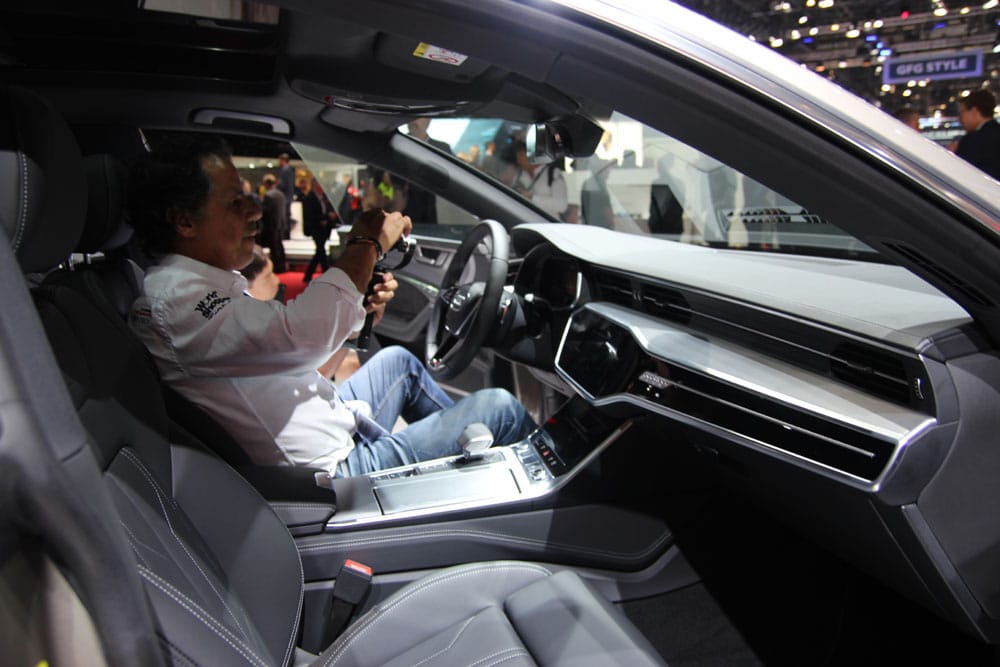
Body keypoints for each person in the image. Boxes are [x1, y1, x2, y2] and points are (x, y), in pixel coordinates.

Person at [127, 136, 536, 477]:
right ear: (184, 222)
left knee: (398, 363)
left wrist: (357, 320)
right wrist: (367, 242)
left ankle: (464, 463)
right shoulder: (176, 302)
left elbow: (285, 357)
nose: (255, 210)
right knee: (498, 407)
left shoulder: (191, 289)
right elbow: (301, 333)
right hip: (331, 473)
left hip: (331, 424)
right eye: (236, 202)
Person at [402, 118, 452, 223]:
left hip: (432, 210)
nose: (413, 120)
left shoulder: (442, 149)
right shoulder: (396, 144)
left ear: (428, 120)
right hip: (402, 210)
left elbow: (453, 178)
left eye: (419, 116)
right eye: (411, 116)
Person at [513, 142, 568, 219]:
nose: (518, 161)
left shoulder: (553, 174)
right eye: (517, 157)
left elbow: (561, 205)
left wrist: (532, 198)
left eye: (521, 156)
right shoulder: (518, 176)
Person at [954, 89, 1000, 181]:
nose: (960, 119)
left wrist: (952, 155)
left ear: (974, 111)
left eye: (962, 112)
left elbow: (960, 175)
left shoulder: (972, 141)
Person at [301, 177, 339, 283]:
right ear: (315, 185)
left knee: (319, 251)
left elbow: (328, 209)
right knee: (321, 250)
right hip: (315, 228)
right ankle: (326, 274)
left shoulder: (325, 197)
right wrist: (325, 217)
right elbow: (309, 215)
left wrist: (330, 217)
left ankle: (308, 275)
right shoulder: (309, 198)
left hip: (325, 228)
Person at [258, 173, 288, 273]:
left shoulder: (268, 195)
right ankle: (282, 266)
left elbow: (265, 211)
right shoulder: (281, 194)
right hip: (281, 224)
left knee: (274, 248)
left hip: (271, 225)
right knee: (279, 246)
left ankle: (277, 267)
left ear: (266, 184)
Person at [580, 158, 616, 228]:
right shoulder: (597, 185)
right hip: (600, 227)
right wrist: (612, 224)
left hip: (590, 226)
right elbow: (606, 208)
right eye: (607, 169)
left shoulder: (589, 183)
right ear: (602, 170)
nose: (609, 172)